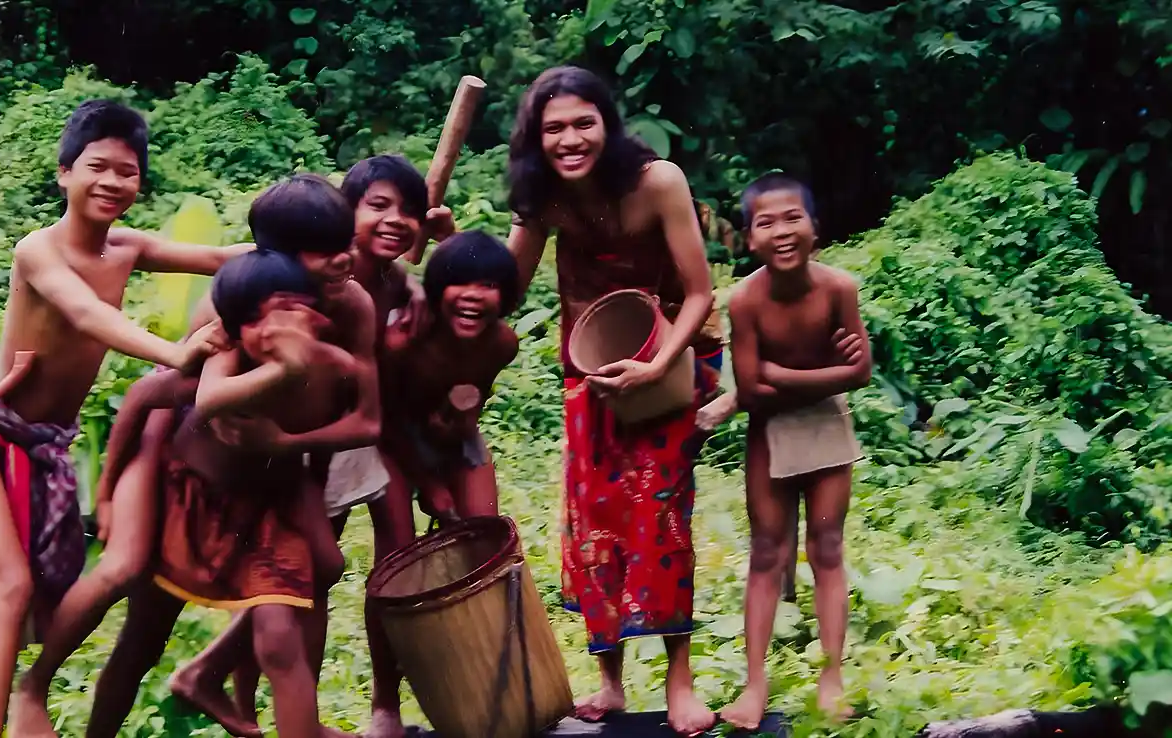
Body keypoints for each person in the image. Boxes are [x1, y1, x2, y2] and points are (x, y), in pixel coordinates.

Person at [0, 99, 242, 738]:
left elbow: (223, 259)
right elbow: (85, 314)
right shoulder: (38, 251)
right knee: (9, 589)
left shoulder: (127, 248)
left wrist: (330, 239)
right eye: (97, 167)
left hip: (44, 447)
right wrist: (173, 351)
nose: (112, 182)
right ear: (64, 173)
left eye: (128, 172)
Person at [21, 174, 375, 738]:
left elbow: (358, 412)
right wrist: (114, 492)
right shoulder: (232, 311)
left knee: (290, 624)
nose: (343, 260)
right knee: (139, 625)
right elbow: (157, 399)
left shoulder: (349, 306)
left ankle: (210, 679)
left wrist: (293, 448)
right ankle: (40, 689)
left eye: (343, 245)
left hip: (269, 490)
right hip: (185, 476)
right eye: (324, 252)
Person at [503, 66, 725, 735]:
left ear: (608, 123)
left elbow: (700, 291)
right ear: (535, 138)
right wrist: (454, 238)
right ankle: (610, 681)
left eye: (582, 123)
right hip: (592, 373)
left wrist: (657, 364)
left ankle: (679, 680)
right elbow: (505, 293)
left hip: (671, 357)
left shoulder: (658, 182)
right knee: (595, 521)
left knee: (660, 513)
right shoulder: (542, 199)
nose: (570, 139)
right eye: (554, 128)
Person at [89, 249, 364, 738]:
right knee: (143, 638)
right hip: (193, 503)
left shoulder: (334, 368)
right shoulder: (223, 363)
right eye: (263, 321)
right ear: (237, 325)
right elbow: (142, 399)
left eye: (293, 315)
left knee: (281, 642)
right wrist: (107, 494)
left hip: (269, 512)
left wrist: (307, 498)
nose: (278, 332)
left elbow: (336, 436)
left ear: (316, 318)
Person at [720, 173, 870, 728]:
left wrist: (783, 371)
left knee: (827, 546)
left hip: (828, 429)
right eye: (766, 222)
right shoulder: (744, 300)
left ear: (814, 228)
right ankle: (754, 684)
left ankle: (832, 677)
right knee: (766, 553)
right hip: (769, 431)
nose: (782, 232)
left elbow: (861, 372)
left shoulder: (839, 288)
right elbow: (752, 389)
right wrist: (823, 374)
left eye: (793, 218)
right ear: (749, 239)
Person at [379, 230, 520, 523]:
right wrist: (430, 484)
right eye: (458, 282)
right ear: (436, 289)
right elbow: (384, 418)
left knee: (485, 533)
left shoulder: (502, 344)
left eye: (488, 285)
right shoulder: (404, 341)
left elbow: (474, 398)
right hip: (392, 439)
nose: (472, 294)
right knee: (399, 543)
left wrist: (461, 425)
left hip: (449, 435)